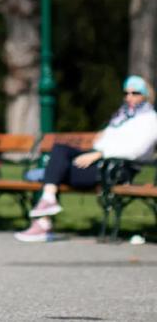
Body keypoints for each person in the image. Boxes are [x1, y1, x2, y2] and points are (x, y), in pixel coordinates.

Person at [15, 75, 157, 243]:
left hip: (117, 169)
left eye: (135, 93)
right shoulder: (122, 117)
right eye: (127, 93)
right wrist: (101, 145)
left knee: (55, 173)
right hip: (103, 162)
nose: (130, 97)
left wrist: (99, 153)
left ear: (146, 95)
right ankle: (48, 201)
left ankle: (44, 220)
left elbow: (135, 151)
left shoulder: (150, 120)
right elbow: (104, 140)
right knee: (60, 149)